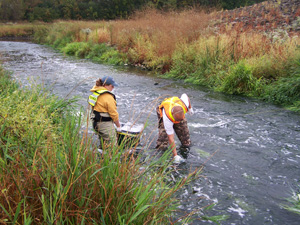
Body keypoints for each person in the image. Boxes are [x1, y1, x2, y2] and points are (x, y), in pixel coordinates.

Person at [156, 93, 194, 163]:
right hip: (164, 112)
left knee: (186, 141)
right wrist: (175, 155)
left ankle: (185, 149)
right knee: (163, 143)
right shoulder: (167, 118)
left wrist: (190, 108)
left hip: (177, 112)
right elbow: (171, 138)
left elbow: (185, 95)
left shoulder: (184, 105)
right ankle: (161, 160)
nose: (178, 122)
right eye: (177, 121)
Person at [88, 76, 121, 149]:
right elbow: (113, 114)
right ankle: (108, 159)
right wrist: (118, 126)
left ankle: (99, 158)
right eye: (112, 86)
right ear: (105, 85)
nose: (113, 88)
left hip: (95, 123)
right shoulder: (107, 97)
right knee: (112, 146)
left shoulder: (96, 92)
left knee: (104, 143)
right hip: (105, 125)